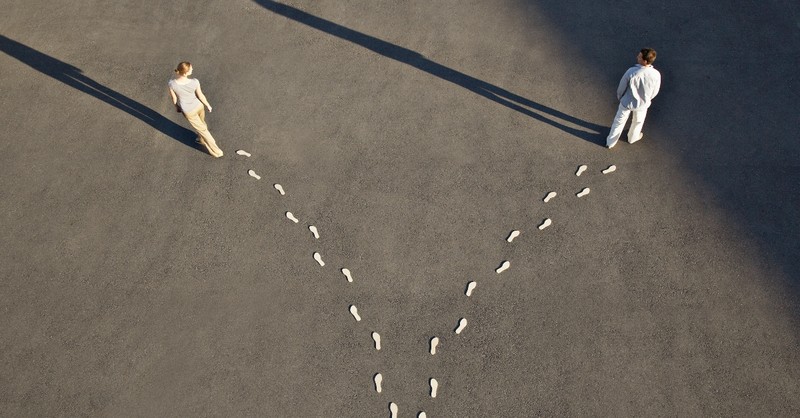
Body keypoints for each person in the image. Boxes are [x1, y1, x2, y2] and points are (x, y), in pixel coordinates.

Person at [606, 48, 661, 148]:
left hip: (626, 102)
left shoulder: (631, 71)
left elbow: (621, 87)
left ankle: (610, 142)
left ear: (644, 61)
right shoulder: (656, 74)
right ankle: (632, 138)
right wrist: (647, 99)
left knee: (619, 122)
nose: (637, 57)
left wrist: (620, 97)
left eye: (639, 56)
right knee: (638, 122)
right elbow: (655, 92)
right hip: (642, 105)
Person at [168, 62, 224, 157]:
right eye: (191, 69)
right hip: (199, 106)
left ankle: (216, 151)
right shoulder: (194, 81)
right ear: (186, 73)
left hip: (188, 111)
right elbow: (200, 95)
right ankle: (210, 146)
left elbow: (174, 99)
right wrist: (208, 105)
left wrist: (177, 107)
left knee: (202, 129)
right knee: (202, 125)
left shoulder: (172, 84)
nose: (192, 70)